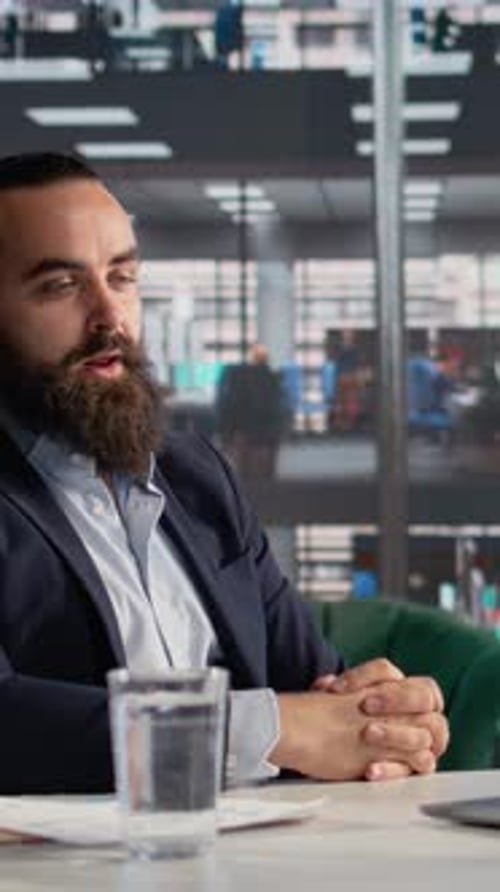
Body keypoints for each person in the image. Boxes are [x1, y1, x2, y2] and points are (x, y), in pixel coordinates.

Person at [0, 152, 448, 794]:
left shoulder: (197, 477)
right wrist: (264, 732)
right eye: (61, 286)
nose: (111, 317)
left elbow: (313, 687)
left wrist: (383, 721)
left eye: (122, 277)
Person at [215, 342, 289, 478]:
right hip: (266, 429)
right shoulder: (273, 378)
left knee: (245, 457)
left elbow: (231, 406)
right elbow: (280, 407)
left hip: (247, 429)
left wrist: (229, 431)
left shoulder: (240, 377)